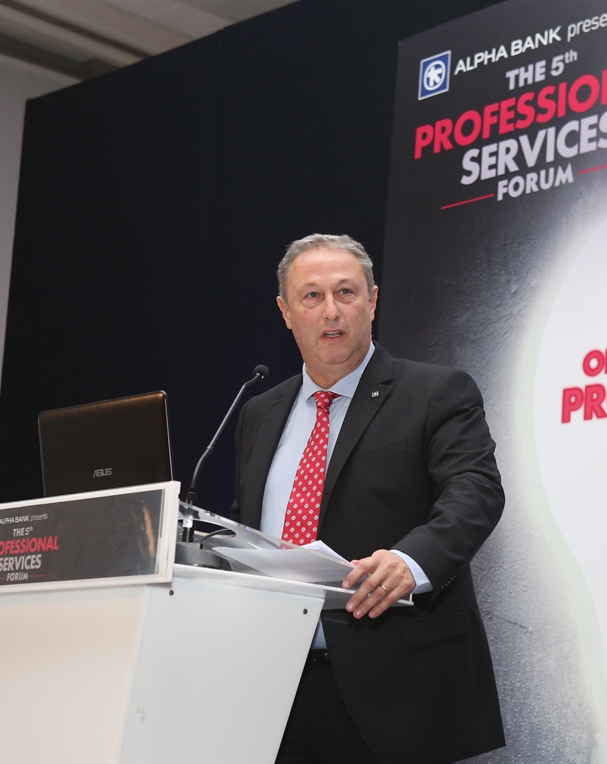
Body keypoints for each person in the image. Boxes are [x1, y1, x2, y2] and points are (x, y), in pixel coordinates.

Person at [231, 234, 505, 764]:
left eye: (346, 292)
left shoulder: (435, 392)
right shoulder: (258, 412)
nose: (331, 311)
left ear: (373, 301)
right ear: (286, 312)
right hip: (274, 687)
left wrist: (411, 561)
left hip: (396, 690)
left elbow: (475, 490)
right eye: (312, 296)